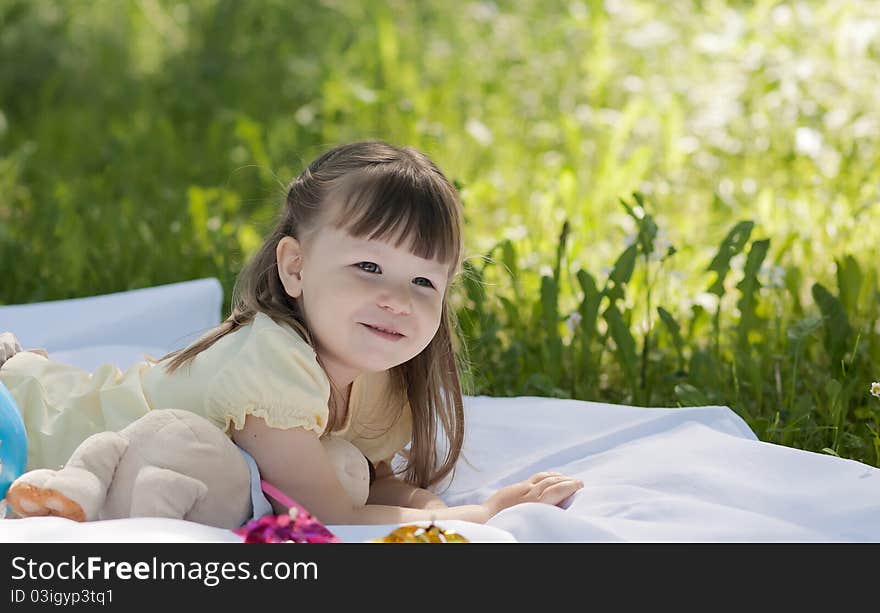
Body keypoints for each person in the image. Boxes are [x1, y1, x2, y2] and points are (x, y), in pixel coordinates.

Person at [0, 140, 583, 526]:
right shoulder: (274, 363)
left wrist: (425, 502)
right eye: (369, 267)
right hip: (32, 424)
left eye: (425, 282)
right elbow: (329, 512)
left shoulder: (382, 386)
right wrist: (480, 515)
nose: (398, 301)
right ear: (295, 267)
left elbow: (367, 487)